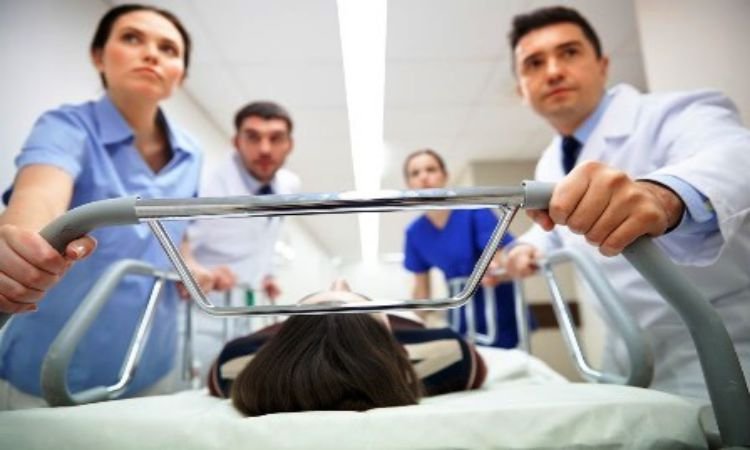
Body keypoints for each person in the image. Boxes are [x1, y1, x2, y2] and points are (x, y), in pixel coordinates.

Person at [503, 5, 750, 401]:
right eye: (534, 63)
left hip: (721, 345)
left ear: (602, 65)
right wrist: (527, 247)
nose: (553, 71)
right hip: (625, 352)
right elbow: (558, 228)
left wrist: (662, 195)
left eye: (569, 52)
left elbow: (736, 155)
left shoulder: (673, 113)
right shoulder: (550, 160)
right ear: (521, 89)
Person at [0, 4, 228, 409]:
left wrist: (190, 265)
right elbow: (39, 195)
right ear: (98, 56)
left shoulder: (191, 154)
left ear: (180, 75)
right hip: (47, 368)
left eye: (168, 49)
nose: (151, 54)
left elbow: (177, 231)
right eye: (132, 38)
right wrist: (19, 246)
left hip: (150, 360)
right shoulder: (66, 127)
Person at [207, 280, 487, 416]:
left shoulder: (238, 363)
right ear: (391, 338)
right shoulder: (444, 355)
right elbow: (466, 357)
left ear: (282, 335)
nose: (339, 280)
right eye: (363, 298)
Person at [185, 101, 300, 380]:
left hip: (246, 310)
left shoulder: (289, 185)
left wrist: (267, 273)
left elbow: (268, 235)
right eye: (253, 137)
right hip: (200, 317)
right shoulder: (205, 185)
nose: (265, 149)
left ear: (289, 145)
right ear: (236, 142)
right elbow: (174, 242)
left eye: (275, 138)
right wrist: (192, 269)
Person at [402, 149, 527, 348]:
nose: (424, 177)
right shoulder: (415, 233)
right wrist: (409, 326)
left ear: (445, 175)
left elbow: (500, 256)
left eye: (431, 169)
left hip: (497, 306)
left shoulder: (474, 211)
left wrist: (497, 268)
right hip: (460, 314)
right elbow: (422, 290)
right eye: (415, 173)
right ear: (409, 184)